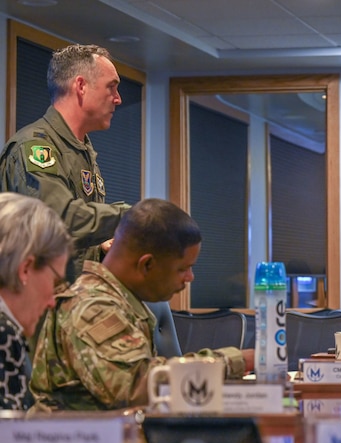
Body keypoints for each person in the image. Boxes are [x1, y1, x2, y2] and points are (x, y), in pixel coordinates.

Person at [29, 198, 254, 412]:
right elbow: (138, 387)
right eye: (182, 269)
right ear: (147, 264)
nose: (190, 278)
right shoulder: (92, 307)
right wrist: (236, 362)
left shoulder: (118, 299)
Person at [0, 44, 129, 282]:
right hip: (34, 308)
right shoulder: (36, 148)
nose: (118, 99)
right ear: (81, 86)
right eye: (111, 87)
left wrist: (99, 248)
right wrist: (130, 217)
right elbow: (58, 222)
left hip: (74, 302)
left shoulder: (82, 150)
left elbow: (71, 242)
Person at [0, 194, 71, 410]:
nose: (52, 301)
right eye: (54, 280)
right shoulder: (4, 334)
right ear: (26, 269)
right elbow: (10, 440)